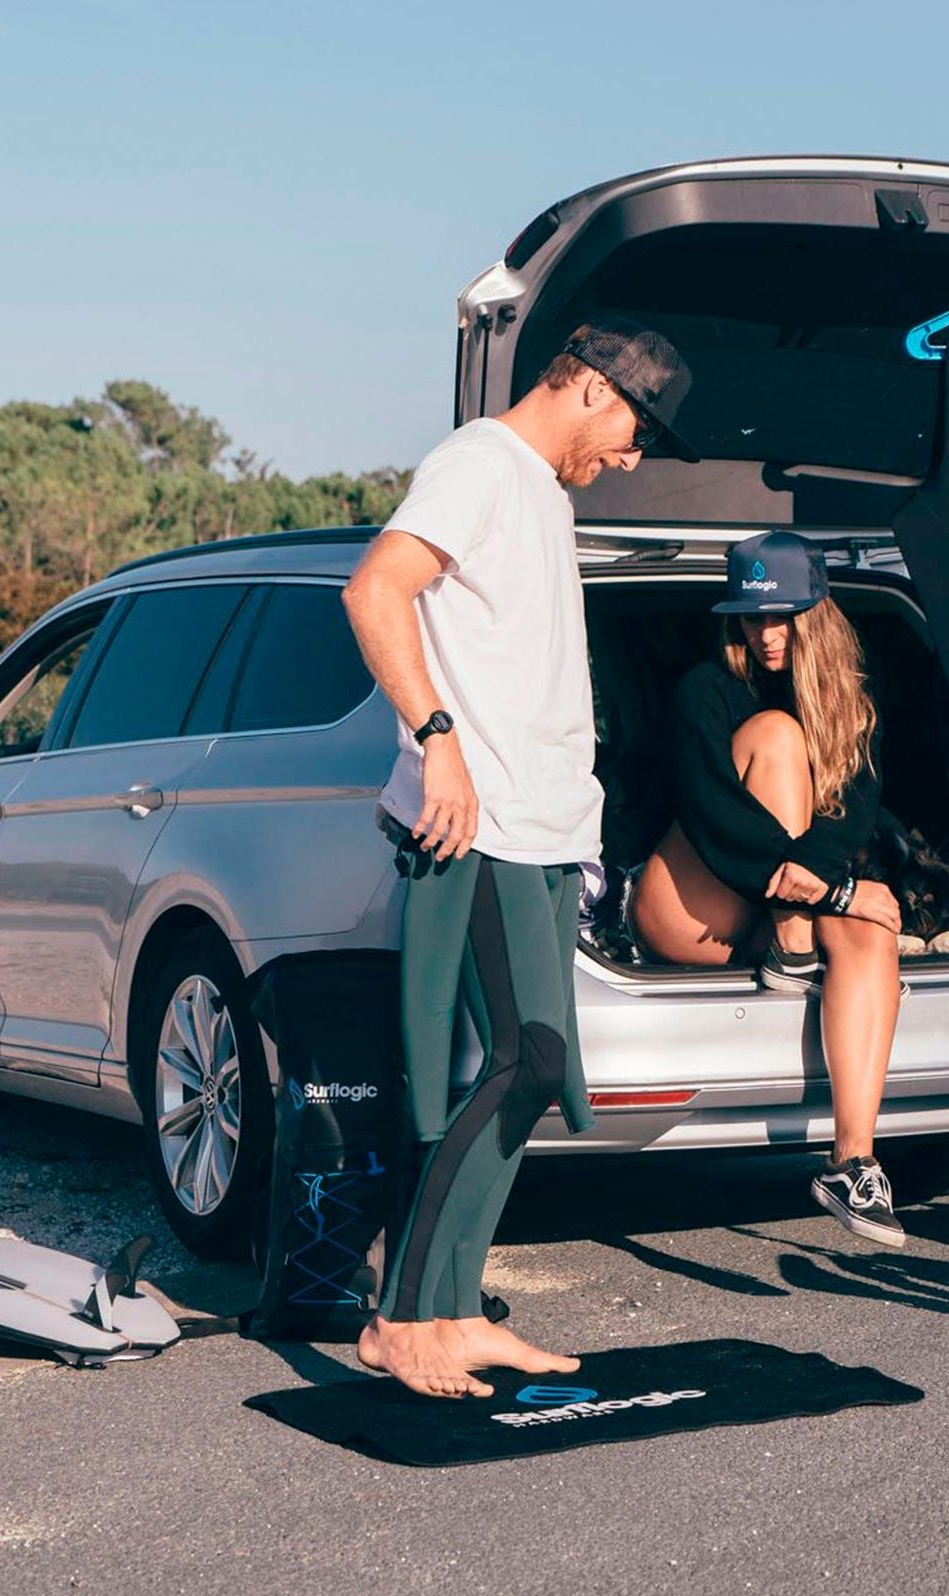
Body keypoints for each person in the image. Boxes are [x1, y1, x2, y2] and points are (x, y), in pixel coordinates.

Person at [342, 318, 697, 1398]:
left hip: (542, 825)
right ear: (592, 388)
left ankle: (455, 1312)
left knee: (534, 1071)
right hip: (482, 820)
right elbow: (374, 589)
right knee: (525, 1059)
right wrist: (437, 742)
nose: (632, 457)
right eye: (637, 428)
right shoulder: (479, 465)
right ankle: (404, 1318)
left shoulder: (541, 491)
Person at [627, 532, 909, 1248]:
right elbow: (712, 815)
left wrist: (840, 894)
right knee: (779, 737)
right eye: (752, 618)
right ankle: (792, 942)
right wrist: (835, 895)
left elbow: (853, 812)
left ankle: (853, 1163)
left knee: (874, 934)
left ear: (818, 615)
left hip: (779, 900)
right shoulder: (706, 689)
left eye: (783, 616)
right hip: (687, 904)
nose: (766, 633)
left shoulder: (852, 701)